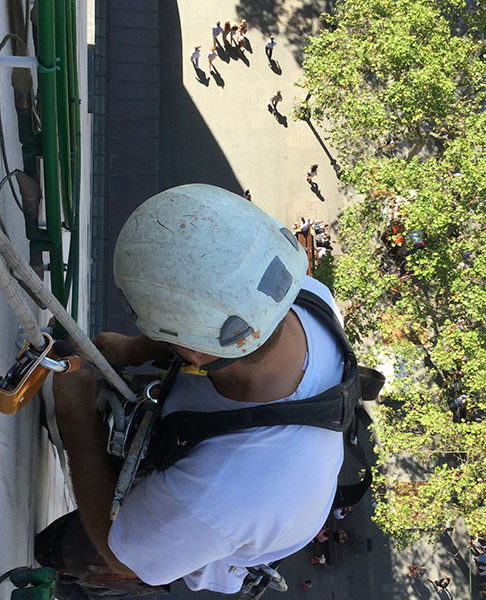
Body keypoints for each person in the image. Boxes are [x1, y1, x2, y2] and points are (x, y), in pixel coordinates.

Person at [34, 184, 346, 597]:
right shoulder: (303, 295)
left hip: (216, 528)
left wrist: (78, 421)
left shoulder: (225, 490)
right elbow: (228, 325)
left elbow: (122, 553)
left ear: (197, 353)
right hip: (237, 468)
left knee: (61, 546)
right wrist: (135, 348)